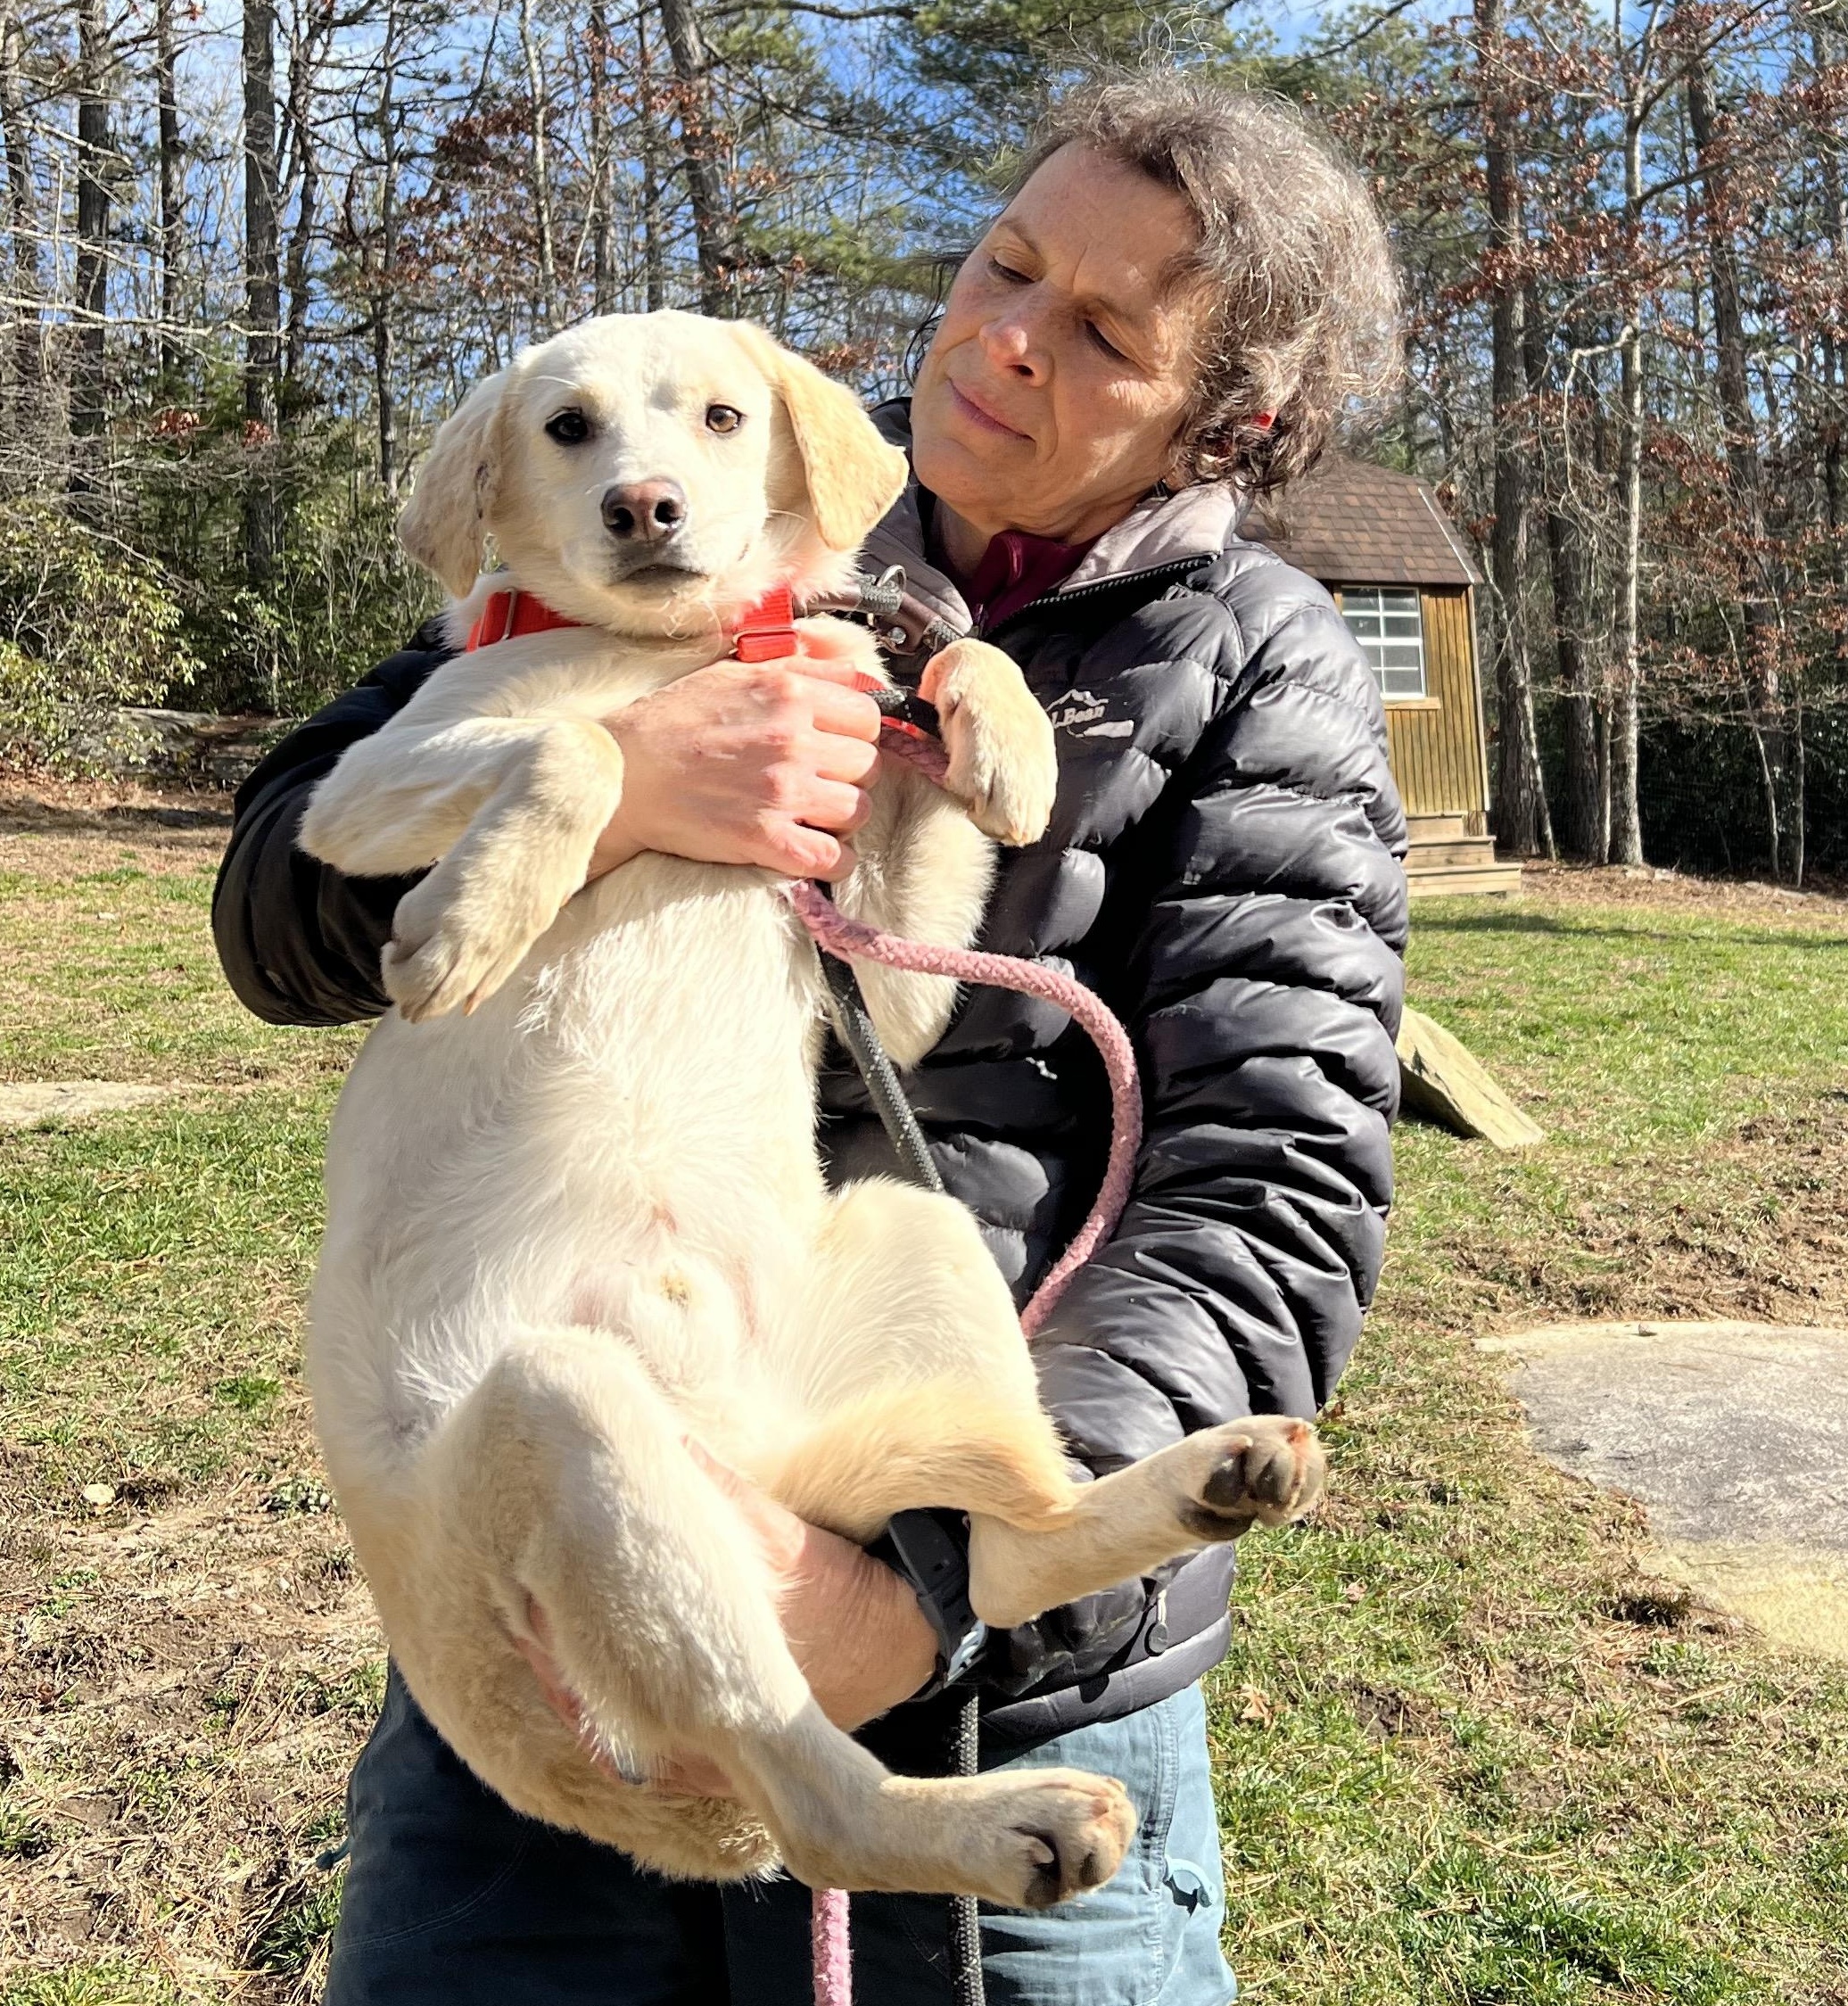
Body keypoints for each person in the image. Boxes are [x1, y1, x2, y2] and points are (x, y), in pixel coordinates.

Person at [213, 67, 1408, 2006]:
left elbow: (1268, 1188)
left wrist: (913, 1601)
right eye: (1004, 264)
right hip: (577, 1543)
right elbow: (289, 879)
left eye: (1102, 329)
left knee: (918, 1244)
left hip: (993, 1683)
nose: (1006, 339)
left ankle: (1027, 1549)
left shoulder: (1259, 665)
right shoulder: (686, 518)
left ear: (1229, 415)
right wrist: (609, 788)